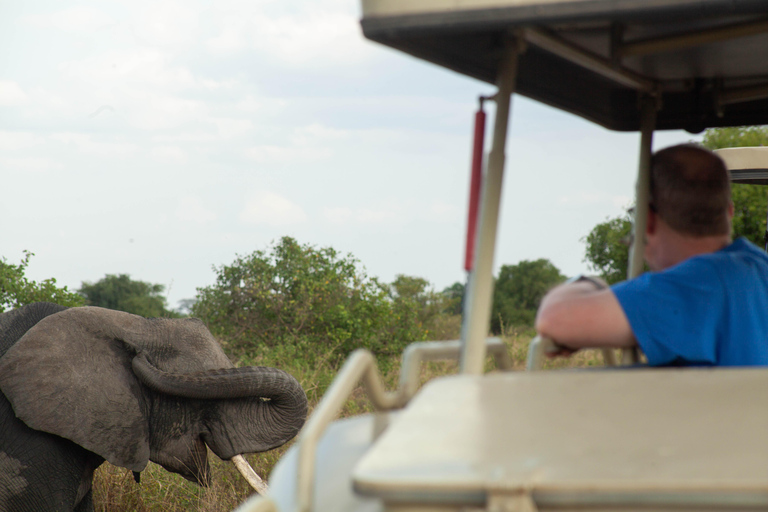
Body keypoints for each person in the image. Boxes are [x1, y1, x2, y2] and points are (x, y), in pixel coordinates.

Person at [535, 144, 768, 366]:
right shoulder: (759, 266)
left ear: (647, 221)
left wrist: (590, 283)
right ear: (729, 211)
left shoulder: (691, 286)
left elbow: (555, 319)